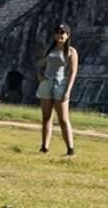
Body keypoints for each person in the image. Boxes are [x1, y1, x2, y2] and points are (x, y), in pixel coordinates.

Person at [37, 23, 78, 156]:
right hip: (47, 83)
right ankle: (44, 147)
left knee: (63, 119)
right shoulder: (50, 50)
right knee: (46, 117)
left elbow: (73, 72)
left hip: (60, 84)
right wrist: (40, 75)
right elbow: (41, 64)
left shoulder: (71, 51)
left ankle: (70, 149)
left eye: (62, 32)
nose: (59, 35)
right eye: (57, 32)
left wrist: (68, 90)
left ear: (67, 35)